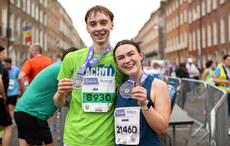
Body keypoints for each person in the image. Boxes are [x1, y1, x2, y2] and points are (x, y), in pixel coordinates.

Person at [53, 5, 127, 146]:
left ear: (112, 24)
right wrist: (61, 93)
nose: (98, 28)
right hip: (74, 139)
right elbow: (59, 103)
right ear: (87, 28)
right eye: (93, 24)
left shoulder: (120, 59)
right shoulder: (71, 58)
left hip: (107, 140)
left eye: (103, 22)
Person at [14, 47, 78, 146]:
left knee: (25, 142)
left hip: (21, 109)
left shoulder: (57, 66)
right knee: (48, 144)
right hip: (34, 113)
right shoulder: (63, 70)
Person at [113, 40, 171, 145]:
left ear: (140, 55)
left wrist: (145, 105)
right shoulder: (120, 87)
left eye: (131, 54)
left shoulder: (158, 86)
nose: (127, 60)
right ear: (117, 64)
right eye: (121, 58)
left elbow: (162, 129)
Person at [0, 46, 14, 146]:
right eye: (3, 53)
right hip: (0, 100)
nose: (4, 56)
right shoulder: (0, 66)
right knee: (9, 127)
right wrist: (3, 95)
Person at [213, 55, 230, 135]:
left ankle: (228, 127)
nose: (229, 61)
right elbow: (215, 79)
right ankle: (222, 128)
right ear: (223, 60)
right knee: (223, 110)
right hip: (222, 91)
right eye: (228, 59)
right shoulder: (219, 67)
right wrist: (224, 81)